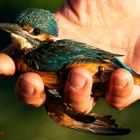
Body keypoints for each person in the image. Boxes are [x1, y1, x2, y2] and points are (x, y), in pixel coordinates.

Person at [0, 0, 140, 114]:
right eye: (16, 27)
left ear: (48, 37)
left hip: (103, 67)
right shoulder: (22, 56)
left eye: (35, 32)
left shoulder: (35, 57)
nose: (18, 32)